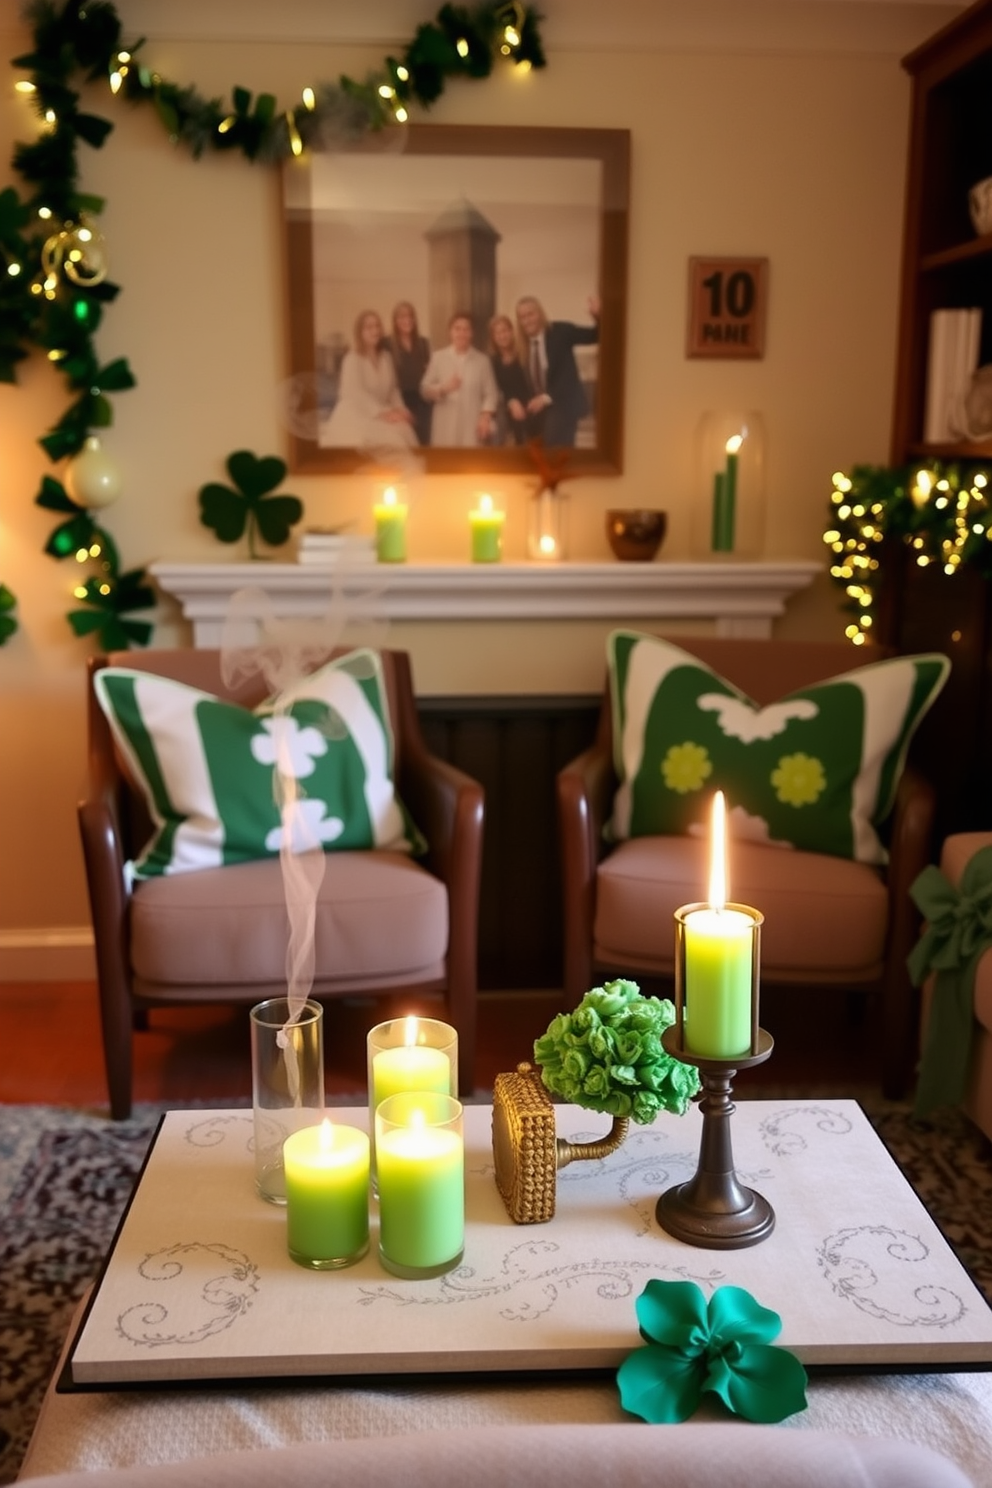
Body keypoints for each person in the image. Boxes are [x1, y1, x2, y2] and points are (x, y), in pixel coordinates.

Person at [319, 309, 418, 450]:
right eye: (369, 327)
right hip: (357, 415)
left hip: (382, 412)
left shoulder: (386, 357)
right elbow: (355, 393)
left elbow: (393, 390)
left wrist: (401, 410)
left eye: (377, 326)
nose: (375, 330)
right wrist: (385, 413)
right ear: (360, 332)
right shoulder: (352, 359)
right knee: (391, 440)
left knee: (405, 429)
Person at [515, 293, 600, 447]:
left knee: (556, 451)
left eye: (530, 314)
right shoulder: (522, 346)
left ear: (540, 313)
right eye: (522, 317)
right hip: (539, 412)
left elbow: (595, 335)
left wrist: (598, 315)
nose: (526, 320)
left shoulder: (560, 331)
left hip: (564, 403)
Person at [420, 312, 498, 447]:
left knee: (471, 464)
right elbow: (424, 389)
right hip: (445, 424)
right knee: (445, 464)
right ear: (450, 332)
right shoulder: (438, 357)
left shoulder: (482, 360)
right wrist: (443, 389)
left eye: (466, 329)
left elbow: (491, 393)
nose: (461, 333)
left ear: (472, 333)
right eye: (457, 329)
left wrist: (485, 417)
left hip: (471, 423)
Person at [488, 313, 541, 446]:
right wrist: (511, 402)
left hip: (533, 408)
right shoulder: (492, 362)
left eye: (505, 330)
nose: (502, 335)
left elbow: (536, 383)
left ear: (511, 332)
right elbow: (494, 391)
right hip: (507, 411)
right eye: (497, 333)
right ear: (493, 337)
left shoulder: (526, 353)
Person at [384, 301, 432, 446]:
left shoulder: (423, 343)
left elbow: (429, 372)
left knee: (424, 441)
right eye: (402, 317)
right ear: (395, 320)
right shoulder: (386, 343)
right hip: (399, 401)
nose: (407, 320)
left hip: (422, 401)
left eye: (410, 316)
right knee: (405, 443)